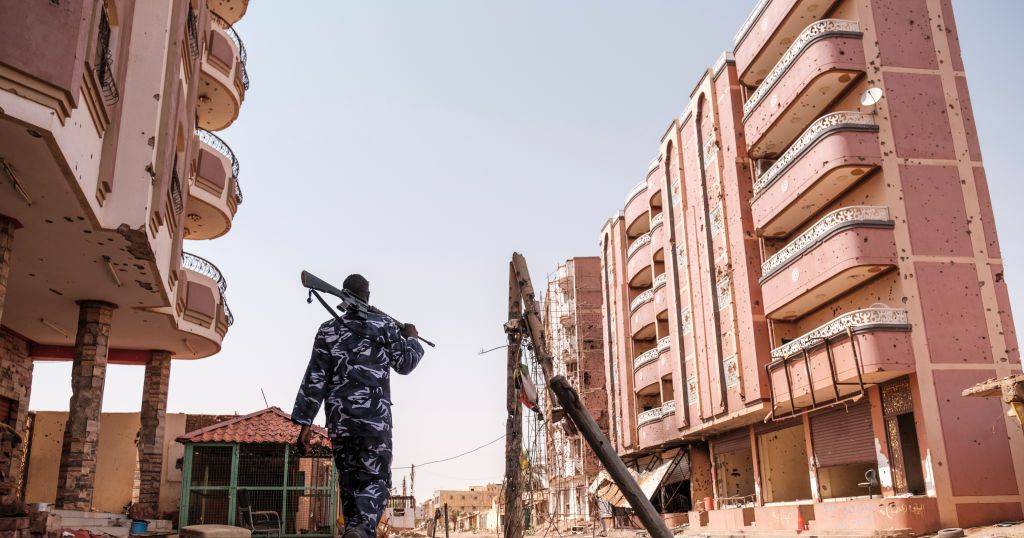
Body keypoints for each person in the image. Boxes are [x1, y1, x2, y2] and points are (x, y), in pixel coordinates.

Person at [291, 274, 425, 538]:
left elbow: (314, 380)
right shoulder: (385, 326)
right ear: (368, 296)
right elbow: (406, 364)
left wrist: (304, 426)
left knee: (350, 489)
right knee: (375, 483)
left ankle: (356, 530)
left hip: (341, 426)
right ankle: (362, 529)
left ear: (344, 295)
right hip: (374, 424)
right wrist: (412, 338)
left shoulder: (328, 330)